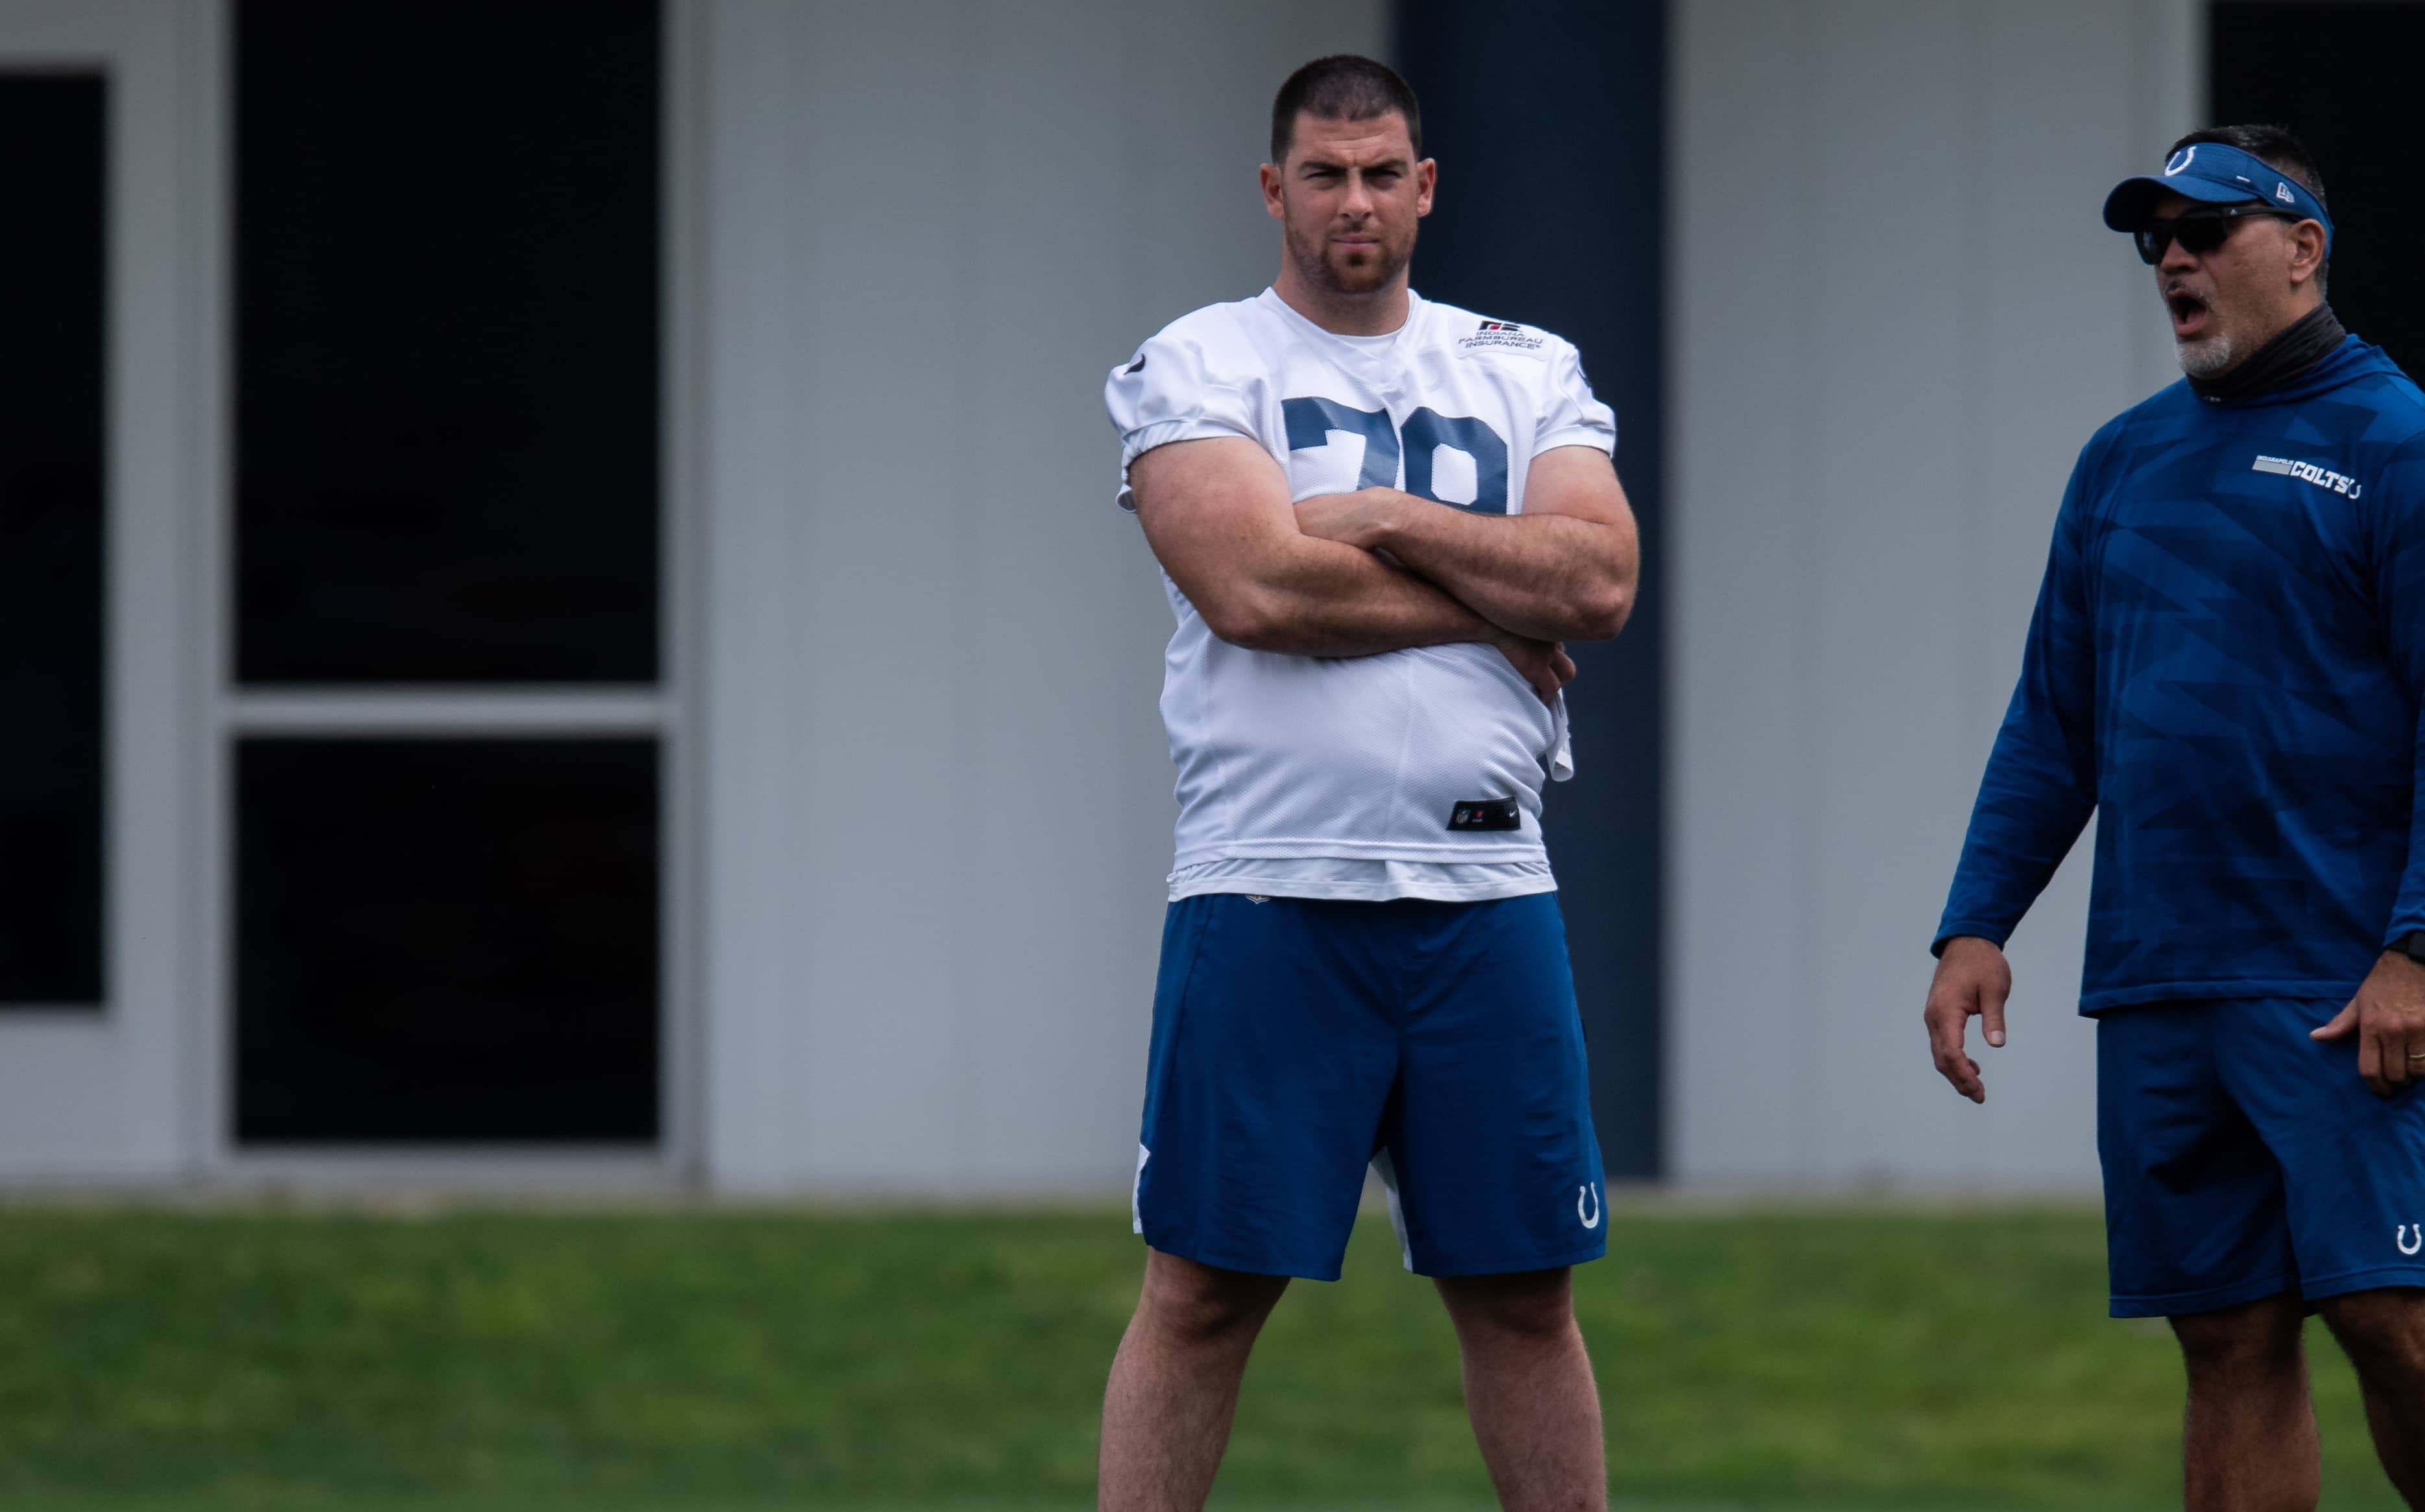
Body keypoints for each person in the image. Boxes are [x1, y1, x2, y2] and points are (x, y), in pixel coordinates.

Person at [1094, 53, 1639, 1512]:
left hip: (1486, 896)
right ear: (1276, 188)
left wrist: (1391, 515)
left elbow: (1599, 575)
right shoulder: (1199, 362)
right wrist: (1491, 595)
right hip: (1270, 887)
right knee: (1204, 1293)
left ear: (1426, 187)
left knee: (1525, 1294)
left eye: (1381, 172)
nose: (1355, 200)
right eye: (1325, 174)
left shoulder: (1524, 365)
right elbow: (1256, 591)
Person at [1924, 124, 2425, 1509]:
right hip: (2158, 983)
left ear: (2303, 249)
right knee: (2226, 1338)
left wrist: (2418, 947)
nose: (2176, 259)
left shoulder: (2398, 442)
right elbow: (2053, 719)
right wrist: (1975, 921)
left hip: (2337, 983)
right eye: (2158, 238)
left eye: (2208, 230)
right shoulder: (2121, 461)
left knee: (2399, 1319)